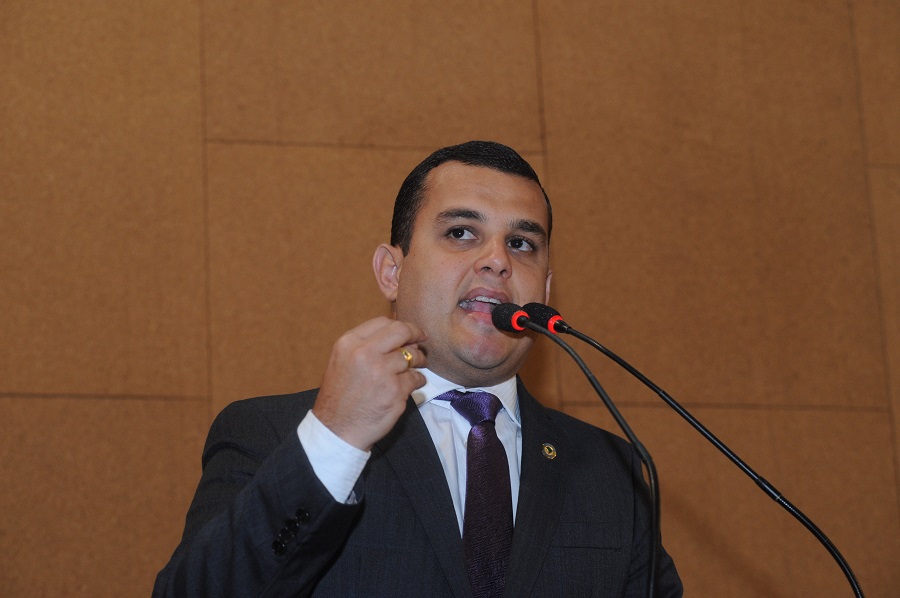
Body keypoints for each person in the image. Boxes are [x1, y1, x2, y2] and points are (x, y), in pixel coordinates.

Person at [154, 141, 682, 597]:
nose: (498, 260)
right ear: (392, 272)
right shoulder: (272, 435)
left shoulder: (612, 472)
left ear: (544, 291)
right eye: (461, 233)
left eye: (521, 244)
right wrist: (336, 439)